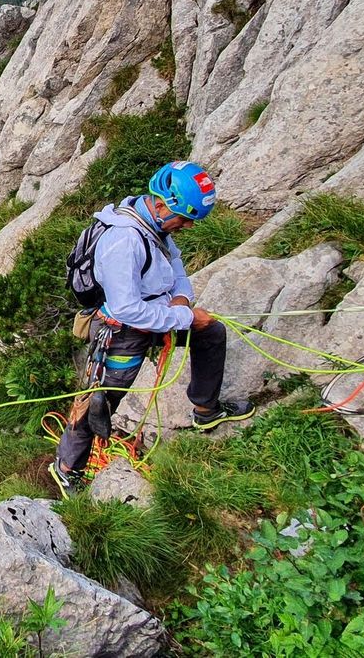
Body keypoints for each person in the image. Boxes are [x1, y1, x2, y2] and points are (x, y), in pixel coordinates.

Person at [49, 160, 254, 498]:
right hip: (121, 331)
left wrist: (182, 302)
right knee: (99, 402)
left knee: (211, 333)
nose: (186, 227)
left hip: (158, 314)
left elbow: (176, 268)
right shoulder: (125, 241)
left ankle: (206, 409)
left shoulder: (155, 225)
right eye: (185, 219)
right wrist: (185, 319)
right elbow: (127, 309)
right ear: (161, 205)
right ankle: (67, 469)